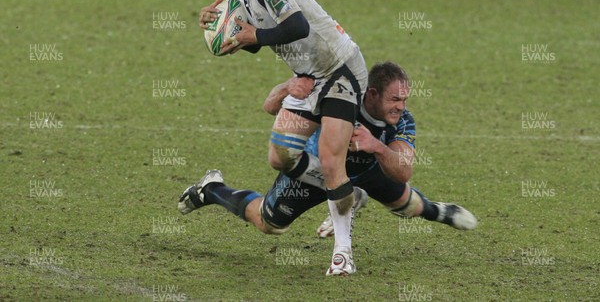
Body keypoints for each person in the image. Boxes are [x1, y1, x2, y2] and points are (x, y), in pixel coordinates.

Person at [187, 0, 368, 275]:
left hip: (339, 69)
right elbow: (254, 43)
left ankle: (343, 254)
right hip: (307, 77)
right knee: (280, 156)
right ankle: (349, 193)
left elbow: (297, 26)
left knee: (331, 160)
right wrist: (219, 31)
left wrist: (254, 33)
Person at [178, 62, 477, 274]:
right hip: (313, 170)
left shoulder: (403, 121)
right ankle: (212, 189)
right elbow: (269, 107)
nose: (400, 106)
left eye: (404, 100)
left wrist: (375, 145)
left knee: (405, 203)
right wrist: (287, 86)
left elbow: (402, 171)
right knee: (270, 223)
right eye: (394, 99)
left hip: (366, 170)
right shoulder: (341, 99)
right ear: (371, 94)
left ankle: (440, 211)